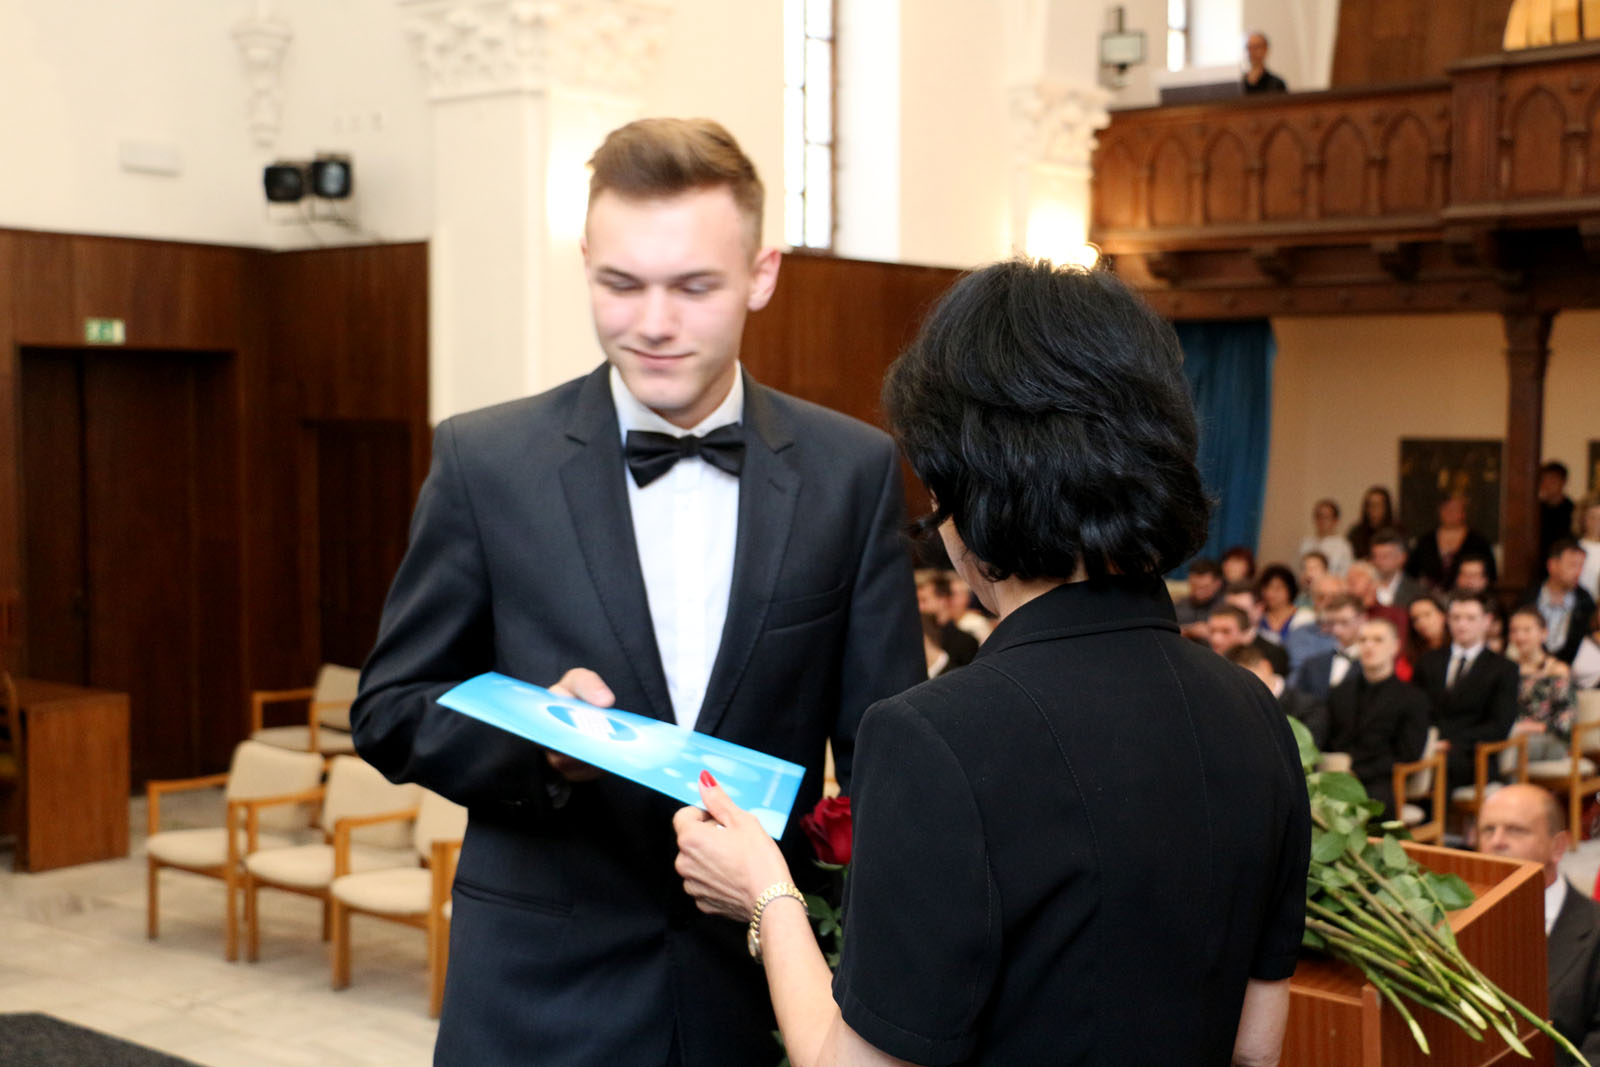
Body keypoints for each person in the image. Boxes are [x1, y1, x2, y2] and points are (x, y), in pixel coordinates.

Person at [349, 118, 925, 1066]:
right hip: (537, 996)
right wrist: (542, 747)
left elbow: (885, 761)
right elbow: (388, 709)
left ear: (761, 274)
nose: (653, 323)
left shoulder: (849, 471)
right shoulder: (486, 461)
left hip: (757, 994)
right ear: (585, 263)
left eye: (694, 287)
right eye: (621, 284)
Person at [673, 261, 1310, 1065]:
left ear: (966, 492)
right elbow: (1254, 1047)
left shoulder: (936, 737)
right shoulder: (1253, 711)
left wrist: (767, 894)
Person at [1476, 784, 1600, 1067]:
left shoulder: (1594, 930)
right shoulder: (1452, 924)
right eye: (1488, 830)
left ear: (1558, 846)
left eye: (1515, 830)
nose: (1497, 841)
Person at [1413, 592, 1521, 792]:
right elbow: (1416, 710)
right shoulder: (1428, 661)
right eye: (1456, 618)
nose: (1462, 625)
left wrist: (1450, 742)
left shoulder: (1504, 668)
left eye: (1470, 618)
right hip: (1428, 745)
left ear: (1486, 621)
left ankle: (1435, 815)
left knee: (1444, 765)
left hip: (1473, 755)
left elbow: (1499, 725)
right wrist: (1429, 740)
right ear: (1448, 620)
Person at [1323, 617, 1430, 820]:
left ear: (1395, 647)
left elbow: (1409, 753)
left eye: (1378, 640)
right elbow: (1328, 740)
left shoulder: (1413, 698)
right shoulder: (1339, 693)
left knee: (1374, 803)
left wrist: (1358, 771)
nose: (1369, 646)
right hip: (1337, 776)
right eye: (1363, 640)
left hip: (1381, 779)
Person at [1508, 606, 1577, 761]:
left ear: (1543, 633)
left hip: (1550, 738)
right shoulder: (1506, 669)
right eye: (1514, 631)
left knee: (1510, 747)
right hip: (1512, 734)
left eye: (1527, 630)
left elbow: (1565, 721)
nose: (1520, 636)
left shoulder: (1557, 670)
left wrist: (1527, 728)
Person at [1229, 643, 1329, 750]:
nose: (1243, 685)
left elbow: (1307, 751)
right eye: (1236, 681)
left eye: (1246, 677)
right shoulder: (1234, 708)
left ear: (1265, 667)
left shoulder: (1309, 707)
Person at [1520, 539, 1598, 665]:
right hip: (1529, 664)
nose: (1578, 572)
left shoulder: (1586, 602)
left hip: (1571, 668)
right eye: (1572, 565)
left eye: (1581, 566)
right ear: (1552, 565)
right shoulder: (1529, 597)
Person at [1408, 494, 1497, 592]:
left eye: (1455, 509)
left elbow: (1491, 574)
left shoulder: (1478, 542)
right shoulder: (1426, 541)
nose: (1450, 513)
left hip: (1468, 596)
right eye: (1446, 509)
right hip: (1429, 595)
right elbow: (1412, 572)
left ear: (1464, 513)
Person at [1291, 593, 1365, 701]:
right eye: (1332, 623)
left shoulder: (1372, 663)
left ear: (1362, 619)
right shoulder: (1312, 665)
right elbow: (1299, 702)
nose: (1337, 630)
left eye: (1344, 622)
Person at [916, 569, 980, 668]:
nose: (919, 607)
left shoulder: (966, 643)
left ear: (942, 599)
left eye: (923, 600)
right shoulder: (917, 637)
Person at [1258, 563, 1314, 647]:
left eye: (1277, 588)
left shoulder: (1305, 617)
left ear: (1290, 589)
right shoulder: (1258, 616)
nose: (1270, 593)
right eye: (1267, 588)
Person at [1370, 527, 1425, 610]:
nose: (1378, 561)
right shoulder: (1364, 588)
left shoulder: (1417, 592)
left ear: (1402, 558)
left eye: (1385, 556)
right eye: (1375, 556)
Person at [1299, 498, 1353, 576]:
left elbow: (1346, 573)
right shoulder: (1306, 543)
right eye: (1319, 516)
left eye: (1326, 517)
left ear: (1335, 520)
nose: (1322, 520)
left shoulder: (1343, 546)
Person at [1175, 556, 1224, 640]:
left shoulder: (1226, 606)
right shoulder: (1180, 605)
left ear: (1217, 584)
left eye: (1204, 587)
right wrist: (1189, 630)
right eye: (1194, 586)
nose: (1198, 593)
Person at [1348, 486, 1399, 561]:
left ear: (1386, 507)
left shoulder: (1397, 531)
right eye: (1370, 505)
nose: (1373, 509)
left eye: (1377, 505)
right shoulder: (1356, 533)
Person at [1541, 461, 1578, 566]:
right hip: (1539, 563)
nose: (1547, 485)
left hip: (1563, 563)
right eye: (1544, 480)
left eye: (1552, 480)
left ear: (1563, 482)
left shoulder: (1573, 511)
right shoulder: (1535, 510)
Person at [1576, 494, 1600, 602]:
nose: (1597, 523)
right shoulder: (1575, 548)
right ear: (1583, 519)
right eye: (1592, 517)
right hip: (1581, 604)